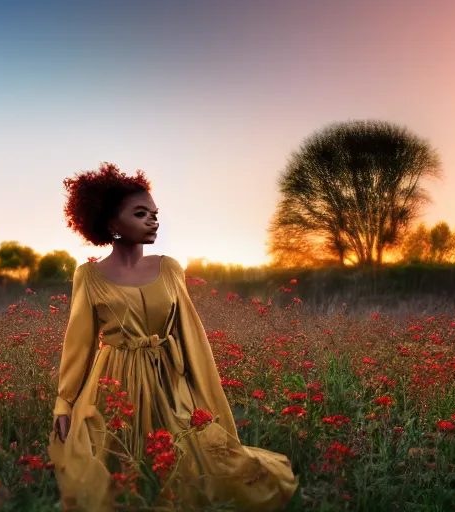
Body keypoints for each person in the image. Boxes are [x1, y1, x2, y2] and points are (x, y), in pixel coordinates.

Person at [48, 162, 299, 511]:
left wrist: (205, 392)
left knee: (189, 457)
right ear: (111, 225)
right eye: (140, 213)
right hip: (114, 381)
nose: (153, 220)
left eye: (154, 213)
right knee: (120, 461)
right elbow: (79, 344)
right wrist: (65, 402)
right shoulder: (88, 276)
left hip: (170, 378)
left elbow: (192, 334)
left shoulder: (169, 268)